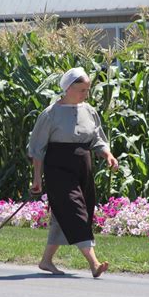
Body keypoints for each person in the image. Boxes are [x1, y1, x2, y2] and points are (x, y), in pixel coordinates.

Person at [28, 67, 119, 278]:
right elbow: (37, 149)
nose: (85, 94)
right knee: (75, 212)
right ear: (67, 89)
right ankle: (94, 263)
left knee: (68, 213)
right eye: (81, 89)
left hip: (82, 168)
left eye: (87, 90)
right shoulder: (50, 114)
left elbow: (97, 139)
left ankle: (46, 261)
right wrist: (37, 179)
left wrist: (108, 155)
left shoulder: (89, 111)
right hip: (58, 169)